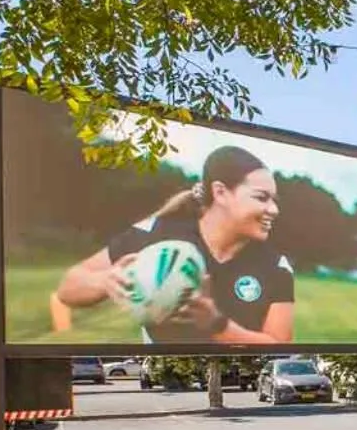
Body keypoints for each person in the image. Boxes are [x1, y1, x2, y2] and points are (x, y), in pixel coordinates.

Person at [55, 145, 295, 345]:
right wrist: (105, 280)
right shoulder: (157, 234)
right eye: (261, 198)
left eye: (274, 200)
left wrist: (217, 325)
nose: (274, 210)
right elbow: (68, 288)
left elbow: (278, 345)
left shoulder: (275, 266)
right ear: (221, 193)